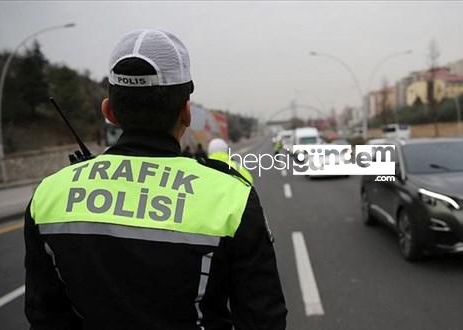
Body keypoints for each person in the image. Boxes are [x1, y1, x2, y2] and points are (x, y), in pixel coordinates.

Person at [24, 29, 286, 330]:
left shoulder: (48, 196)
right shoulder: (232, 198)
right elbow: (264, 319)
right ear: (186, 113)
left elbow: (45, 318)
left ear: (109, 111)